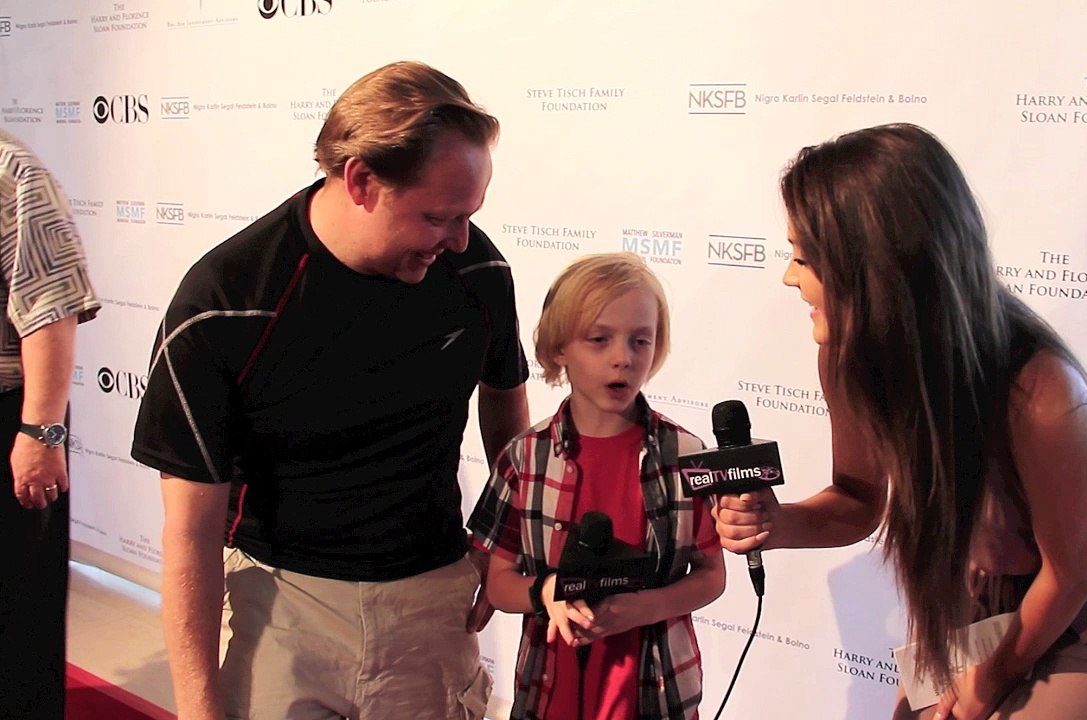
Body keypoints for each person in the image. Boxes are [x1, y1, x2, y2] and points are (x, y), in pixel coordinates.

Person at [713, 124, 1087, 719]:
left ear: (877, 267)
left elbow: (1071, 575)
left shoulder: (1042, 395)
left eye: (805, 257)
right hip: (988, 595)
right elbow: (858, 501)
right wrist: (778, 524)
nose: (789, 277)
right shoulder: (847, 355)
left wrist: (988, 683)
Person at [131, 61, 530, 720]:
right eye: (437, 216)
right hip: (285, 606)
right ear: (361, 180)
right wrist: (199, 711)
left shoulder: (477, 271)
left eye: (469, 215)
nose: (458, 239)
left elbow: (504, 395)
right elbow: (191, 534)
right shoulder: (224, 303)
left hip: (433, 601)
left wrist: (513, 530)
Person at [468, 252, 726, 720]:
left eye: (640, 340)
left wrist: (644, 607)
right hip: (550, 692)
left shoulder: (684, 454)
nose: (623, 359)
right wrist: (546, 593)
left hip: (656, 690)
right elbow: (499, 583)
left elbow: (711, 576)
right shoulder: (525, 457)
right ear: (559, 348)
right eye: (599, 339)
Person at [0, 129, 100, 719]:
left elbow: (50, 306)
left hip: (12, 416)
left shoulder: (10, 168)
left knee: (15, 616)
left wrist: (41, 433)